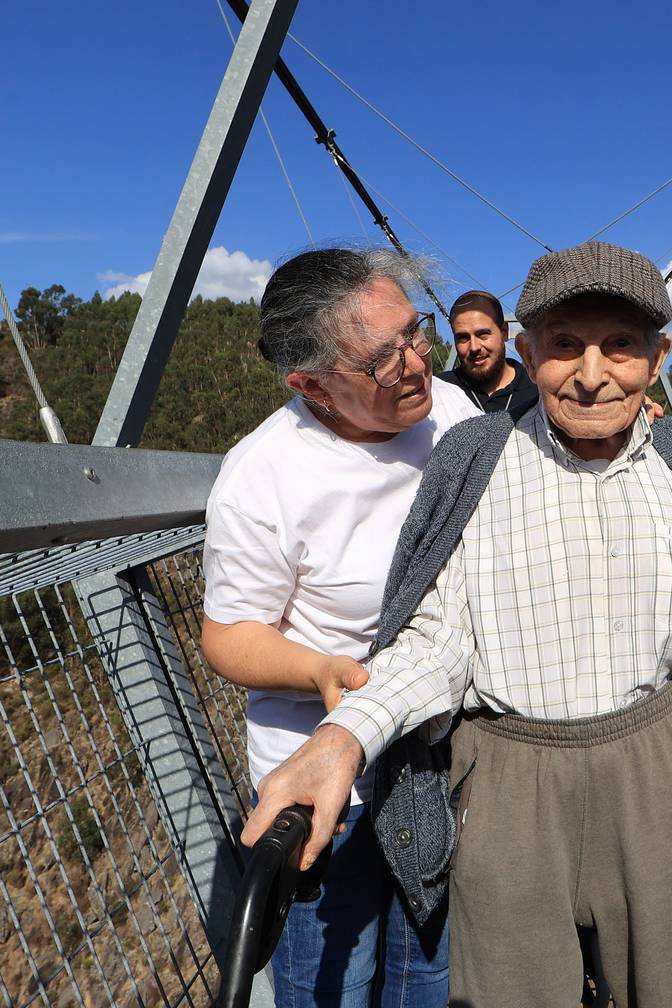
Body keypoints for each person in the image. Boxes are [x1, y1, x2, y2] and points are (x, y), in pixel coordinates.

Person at [245, 241, 672, 1006]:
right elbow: (437, 641)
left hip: (661, 775)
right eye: (564, 345)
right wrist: (342, 738)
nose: (592, 375)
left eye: (620, 345)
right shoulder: (474, 462)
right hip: (504, 787)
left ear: (658, 359)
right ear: (527, 354)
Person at [199, 246, 480, 1007]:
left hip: (435, 766)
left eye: (417, 334)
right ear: (310, 385)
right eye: (382, 362)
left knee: (426, 977)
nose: (417, 366)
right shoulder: (263, 474)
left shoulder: (453, 413)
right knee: (333, 986)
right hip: (330, 794)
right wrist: (320, 671)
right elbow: (229, 635)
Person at [437, 289, 538, 417]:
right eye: (463, 338)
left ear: (504, 332)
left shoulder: (537, 389)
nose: (474, 347)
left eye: (483, 334)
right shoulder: (440, 392)